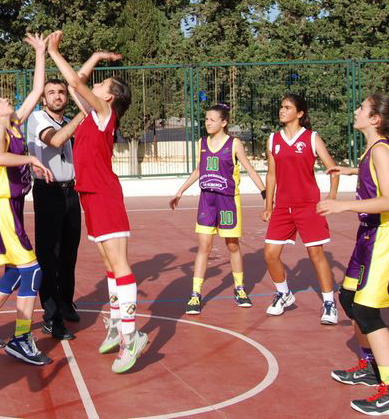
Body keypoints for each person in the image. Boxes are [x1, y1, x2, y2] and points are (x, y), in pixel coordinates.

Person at [47, 31, 148, 374]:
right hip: (89, 193)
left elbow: (75, 81)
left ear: (111, 96)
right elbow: (76, 85)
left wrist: (55, 50)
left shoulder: (105, 112)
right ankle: (119, 324)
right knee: (108, 264)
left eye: (103, 83)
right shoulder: (92, 115)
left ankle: (131, 336)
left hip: (104, 194)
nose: (98, 85)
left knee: (120, 265)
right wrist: (61, 55)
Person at [320, 92, 389, 417]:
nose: (356, 110)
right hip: (371, 235)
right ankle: (371, 366)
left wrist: (342, 204)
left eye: (362, 108)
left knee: (365, 310)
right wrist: (348, 171)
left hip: (387, 235)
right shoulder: (373, 151)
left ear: (375, 119)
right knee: (349, 300)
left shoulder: (380, 150)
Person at [0, 33, 54, 366]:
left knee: (16, 273)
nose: (6, 100)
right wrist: (31, 160)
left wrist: (41, 54)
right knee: (32, 272)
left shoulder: (13, 123)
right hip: (2, 206)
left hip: (10, 205)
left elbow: (36, 90)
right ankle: (21, 337)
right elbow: (0, 159)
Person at [170, 104, 266, 315]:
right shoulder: (202, 143)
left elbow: (249, 169)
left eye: (212, 120)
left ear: (224, 122)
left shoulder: (234, 144)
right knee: (204, 246)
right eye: (206, 119)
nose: (208, 123)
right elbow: (198, 170)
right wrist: (180, 191)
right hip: (207, 200)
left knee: (232, 245)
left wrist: (265, 193)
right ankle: (195, 294)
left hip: (228, 201)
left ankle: (239, 288)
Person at [262, 93, 341, 323]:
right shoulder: (273, 140)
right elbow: (271, 174)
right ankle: (284, 294)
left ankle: (329, 303)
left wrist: (332, 197)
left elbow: (333, 169)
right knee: (270, 254)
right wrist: (269, 204)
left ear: (300, 113)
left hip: (308, 206)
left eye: (287, 107)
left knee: (316, 254)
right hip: (283, 207)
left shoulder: (312, 138)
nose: (282, 110)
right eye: (281, 106)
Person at [27, 78, 85, 340]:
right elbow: (55, 141)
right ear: (44, 98)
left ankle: (65, 302)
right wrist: (85, 113)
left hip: (72, 191)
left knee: (70, 252)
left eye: (62, 92)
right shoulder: (38, 119)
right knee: (50, 256)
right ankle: (50, 317)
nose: (58, 96)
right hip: (48, 191)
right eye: (51, 92)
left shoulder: (69, 120)